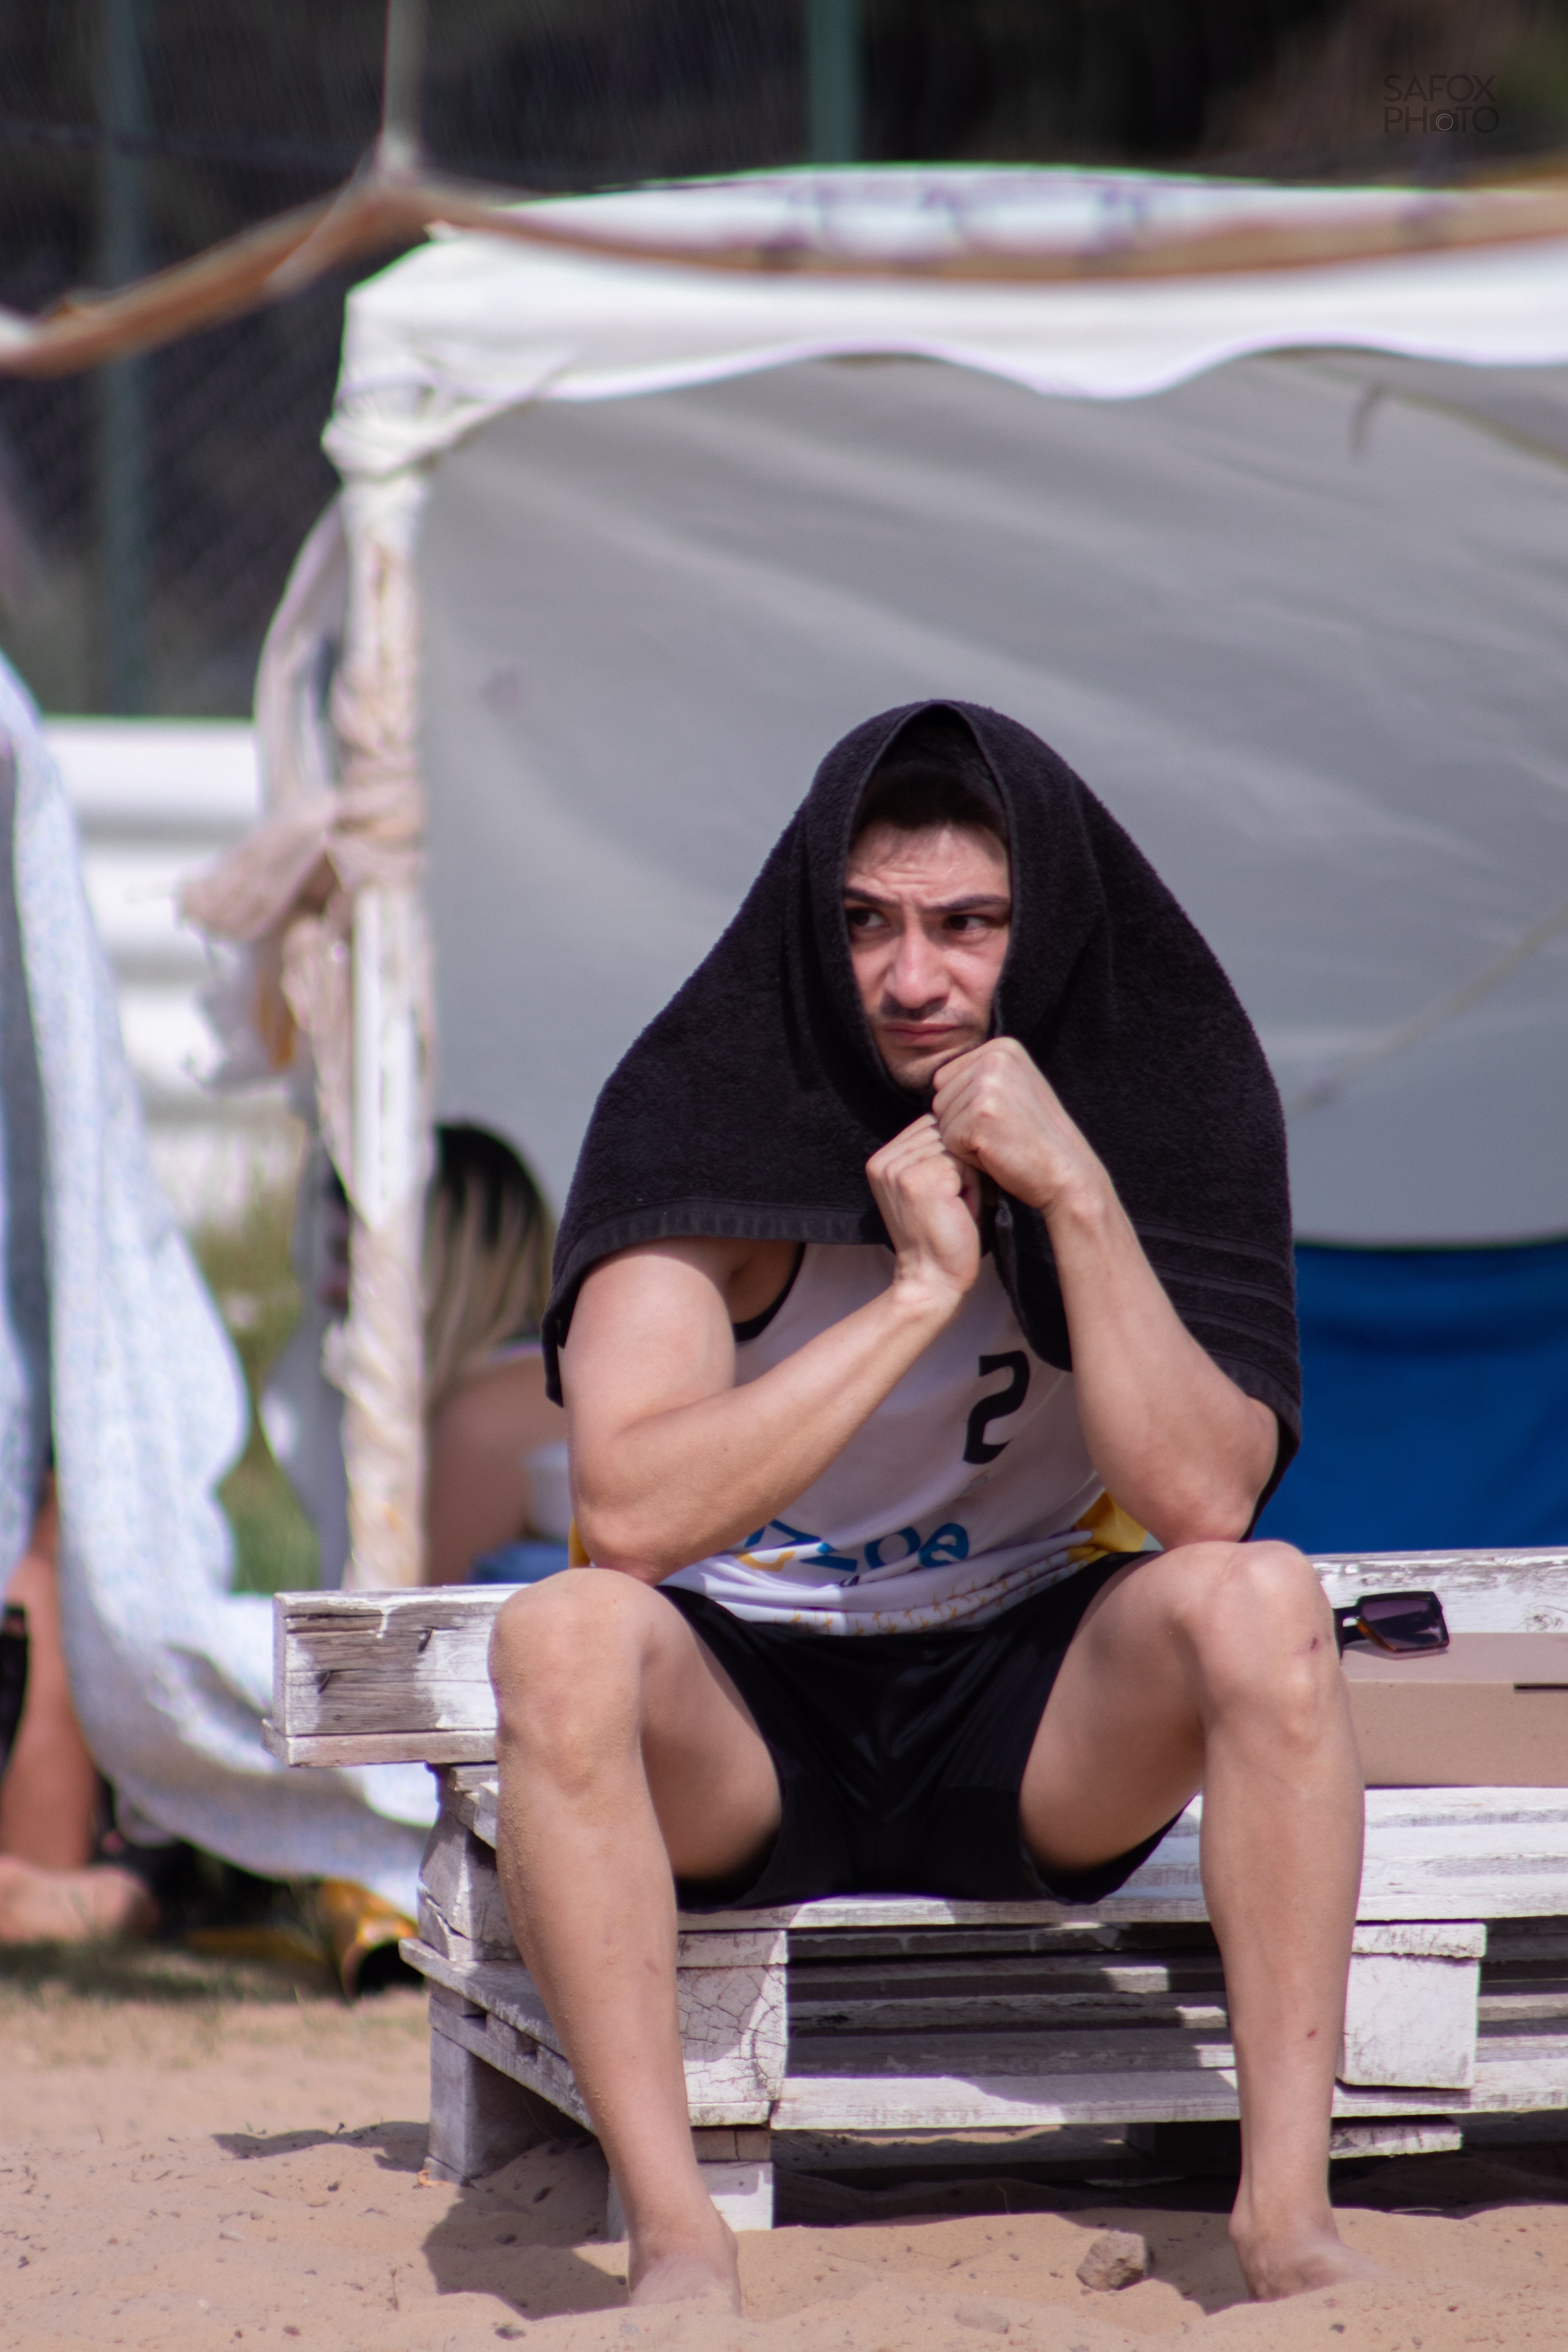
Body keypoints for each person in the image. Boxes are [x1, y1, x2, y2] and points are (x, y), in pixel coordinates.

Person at [489, 703, 1367, 2311]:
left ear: (1048, 936)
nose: (911, 979)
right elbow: (626, 1513)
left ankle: (1283, 2217)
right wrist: (913, 1298)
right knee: (559, 1638)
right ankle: (679, 2236)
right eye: (871, 926)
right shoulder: (708, 1100)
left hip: (1028, 1697)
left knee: (1268, 1602)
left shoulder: (1160, 1092)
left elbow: (1206, 1497)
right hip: (751, 1700)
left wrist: (1077, 1196)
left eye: (967, 927)